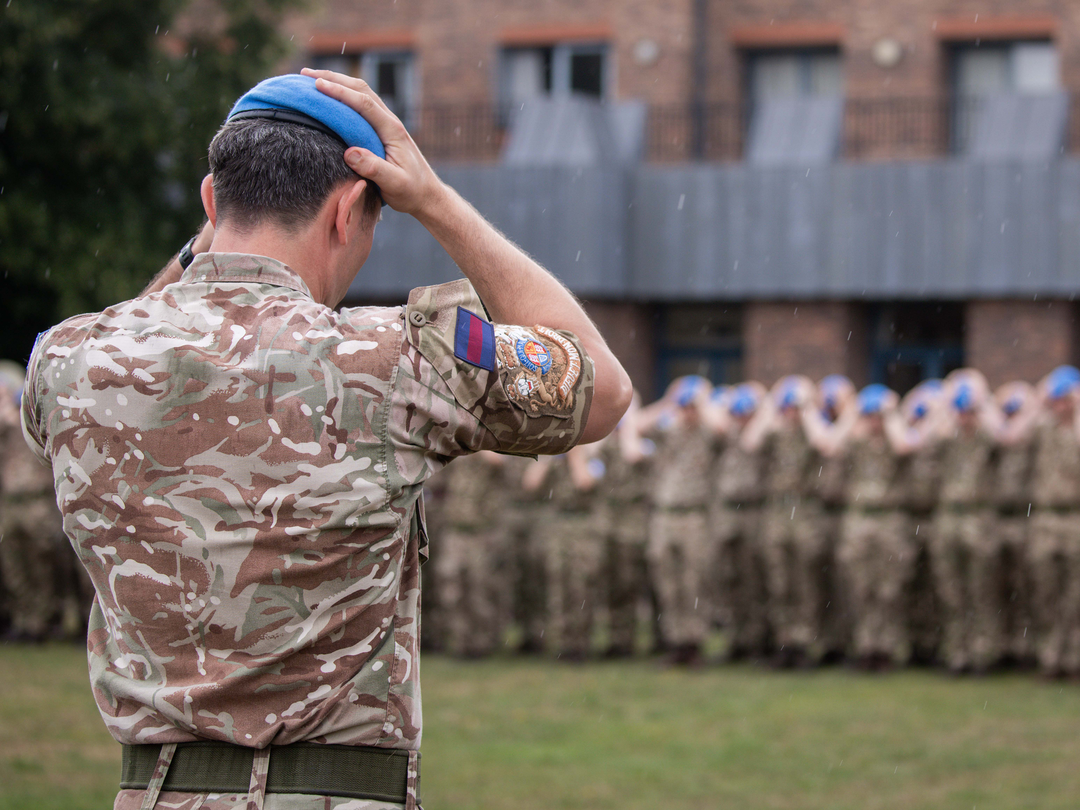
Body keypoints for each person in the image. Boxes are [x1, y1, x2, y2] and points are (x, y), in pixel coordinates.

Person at [20, 70, 631, 810]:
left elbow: (134, 343)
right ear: (348, 212)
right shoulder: (392, 360)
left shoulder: (69, 361)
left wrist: (202, 252)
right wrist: (435, 201)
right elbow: (601, 386)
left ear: (212, 203)